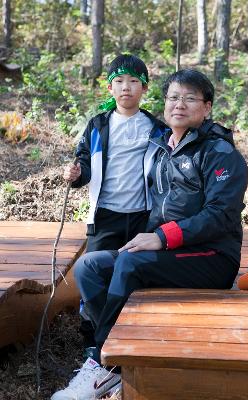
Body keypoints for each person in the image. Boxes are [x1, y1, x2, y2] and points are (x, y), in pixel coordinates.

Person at [51, 69, 248, 400]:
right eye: (173, 97)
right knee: (90, 266)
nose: (179, 105)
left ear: (207, 107)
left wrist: (161, 237)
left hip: (212, 257)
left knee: (130, 264)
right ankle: (118, 352)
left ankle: (104, 365)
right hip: (170, 252)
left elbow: (221, 215)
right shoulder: (160, 148)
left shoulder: (220, 153)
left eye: (189, 98)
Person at [63, 54, 167, 351]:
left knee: (132, 273)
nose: (126, 88)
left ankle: (136, 332)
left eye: (134, 82)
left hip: (142, 217)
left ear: (144, 89)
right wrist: (76, 173)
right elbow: (84, 162)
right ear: (110, 88)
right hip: (105, 215)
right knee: (92, 274)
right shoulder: (98, 125)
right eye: (119, 81)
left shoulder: (155, 127)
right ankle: (95, 338)